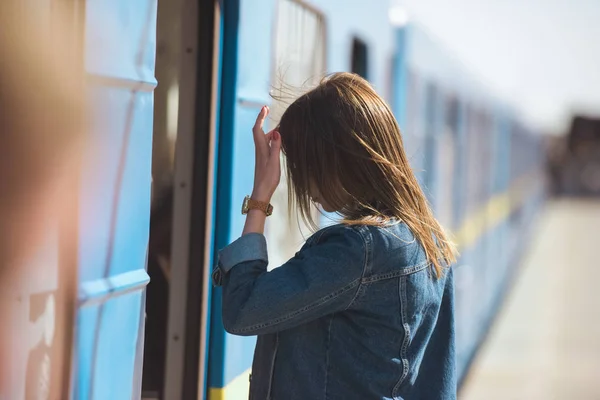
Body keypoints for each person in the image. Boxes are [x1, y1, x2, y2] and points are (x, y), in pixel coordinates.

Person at [212, 72, 458, 400]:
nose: (303, 183)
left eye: (306, 166)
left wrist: (260, 197)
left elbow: (244, 309)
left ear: (337, 161)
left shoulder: (357, 251)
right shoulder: (431, 240)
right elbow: (439, 382)